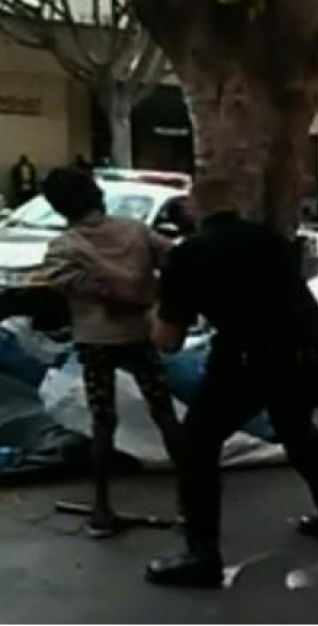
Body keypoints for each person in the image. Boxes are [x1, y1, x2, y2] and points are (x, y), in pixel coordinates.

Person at [145, 178, 318, 589]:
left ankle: (202, 555)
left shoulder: (188, 254)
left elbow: (168, 341)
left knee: (197, 445)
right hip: (313, 352)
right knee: (297, 429)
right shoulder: (270, 240)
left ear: (193, 208)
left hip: (250, 359)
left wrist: (151, 302)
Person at [38, 167, 182, 538]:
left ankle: (102, 510)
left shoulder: (63, 248)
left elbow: (67, 285)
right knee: (164, 412)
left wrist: (107, 288)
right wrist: (149, 295)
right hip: (140, 334)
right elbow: (177, 261)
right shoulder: (135, 230)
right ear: (96, 194)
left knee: (103, 422)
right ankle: (192, 499)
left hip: (96, 340)